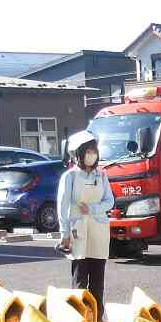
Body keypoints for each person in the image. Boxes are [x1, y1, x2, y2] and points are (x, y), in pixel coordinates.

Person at [57, 130, 114, 309]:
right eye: (87, 151)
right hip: (78, 231)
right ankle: (80, 318)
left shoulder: (102, 175)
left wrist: (92, 208)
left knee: (98, 281)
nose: (92, 155)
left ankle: (97, 317)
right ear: (78, 154)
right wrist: (64, 233)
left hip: (99, 231)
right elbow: (63, 206)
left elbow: (109, 201)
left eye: (93, 151)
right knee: (80, 280)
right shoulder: (70, 177)